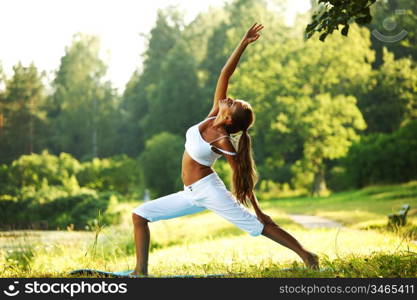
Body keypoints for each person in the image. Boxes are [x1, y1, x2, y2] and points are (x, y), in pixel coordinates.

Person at [130, 23, 319, 276]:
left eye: (232, 104)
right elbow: (224, 75)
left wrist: (259, 210)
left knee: (258, 226)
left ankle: (308, 256)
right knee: (139, 215)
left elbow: (241, 174)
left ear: (229, 120)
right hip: (190, 193)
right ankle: (140, 272)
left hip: (210, 191)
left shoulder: (222, 140)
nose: (228, 99)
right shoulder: (212, 116)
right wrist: (243, 43)